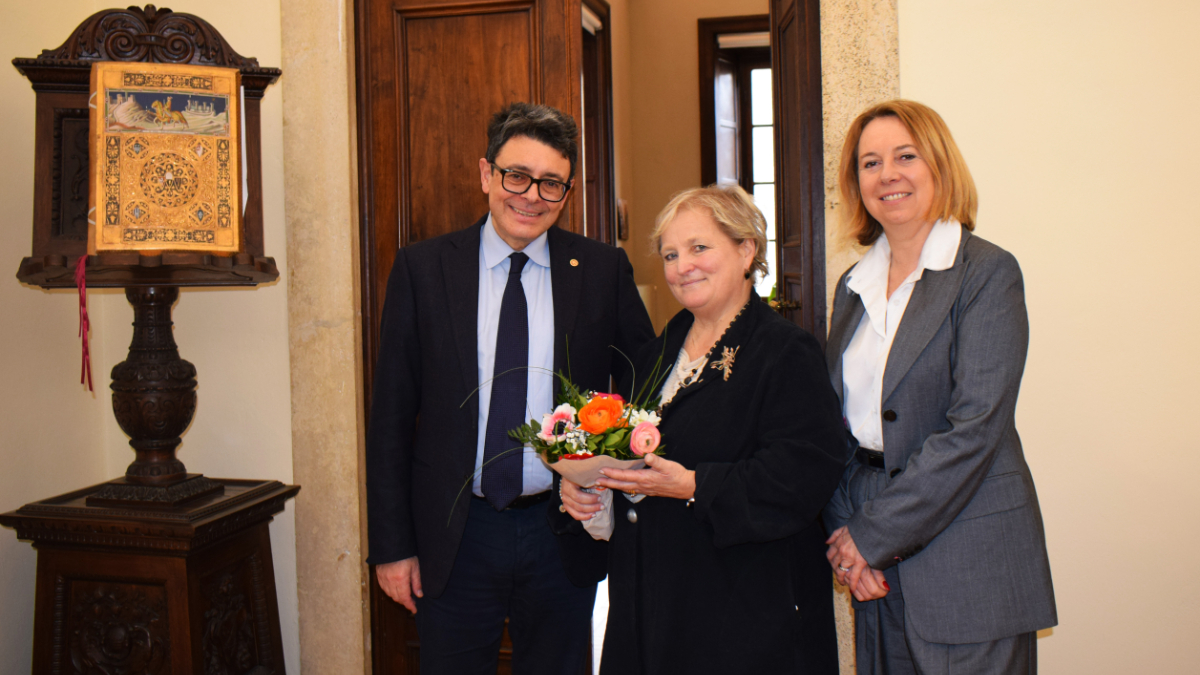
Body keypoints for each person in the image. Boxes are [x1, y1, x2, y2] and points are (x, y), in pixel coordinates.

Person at [365, 102, 654, 675]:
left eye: (551, 183)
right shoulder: (423, 269)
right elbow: (390, 419)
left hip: (562, 530)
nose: (531, 196)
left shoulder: (602, 270)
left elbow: (645, 389)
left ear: (568, 192)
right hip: (455, 534)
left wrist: (606, 473)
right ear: (486, 174)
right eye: (516, 176)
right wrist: (392, 547)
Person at [559, 185, 847, 674]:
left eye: (698, 248)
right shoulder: (654, 355)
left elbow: (801, 476)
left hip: (740, 614)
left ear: (746, 249)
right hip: (649, 606)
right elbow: (630, 458)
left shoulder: (784, 351)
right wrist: (588, 487)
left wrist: (694, 485)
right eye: (670, 254)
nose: (682, 267)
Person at [823, 99, 1057, 674]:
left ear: (939, 165)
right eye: (870, 163)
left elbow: (974, 429)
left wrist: (870, 536)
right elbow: (834, 428)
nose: (888, 174)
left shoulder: (987, 272)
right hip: (872, 558)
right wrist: (846, 536)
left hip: (968, 560)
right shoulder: (852, 286)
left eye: (906, 156)